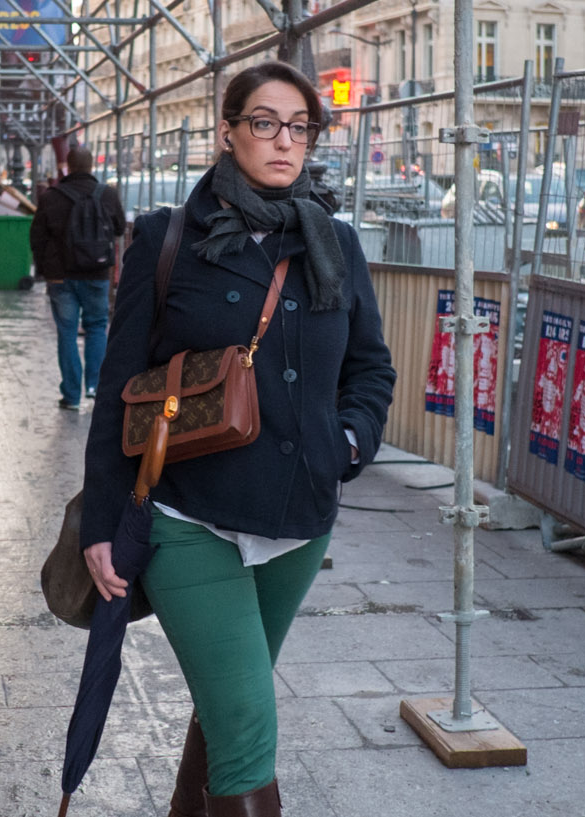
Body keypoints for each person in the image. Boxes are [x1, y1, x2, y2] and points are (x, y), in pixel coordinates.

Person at [79, 61, 395, 816]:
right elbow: (118, 389)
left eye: (299, 126)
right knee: (249, 720)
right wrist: (101, 522)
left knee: (226, 706)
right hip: (191, 516)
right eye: (264, 122)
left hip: (299, 519)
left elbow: (370, 369)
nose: (283, 140)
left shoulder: (336, 243)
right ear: (228, 131)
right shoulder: (168, 238)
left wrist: (346, 444)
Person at [30, 141, 125, 410]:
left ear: (68, 167)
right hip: (96, 272)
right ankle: (94, 387)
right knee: (97, 328)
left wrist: (43, 270)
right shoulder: (106, 194)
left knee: (67, 332)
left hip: (60, 277)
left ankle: (71, 396)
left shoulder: (51, 196)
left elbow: (37, 237)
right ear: (92, 165)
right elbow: (119, 228)